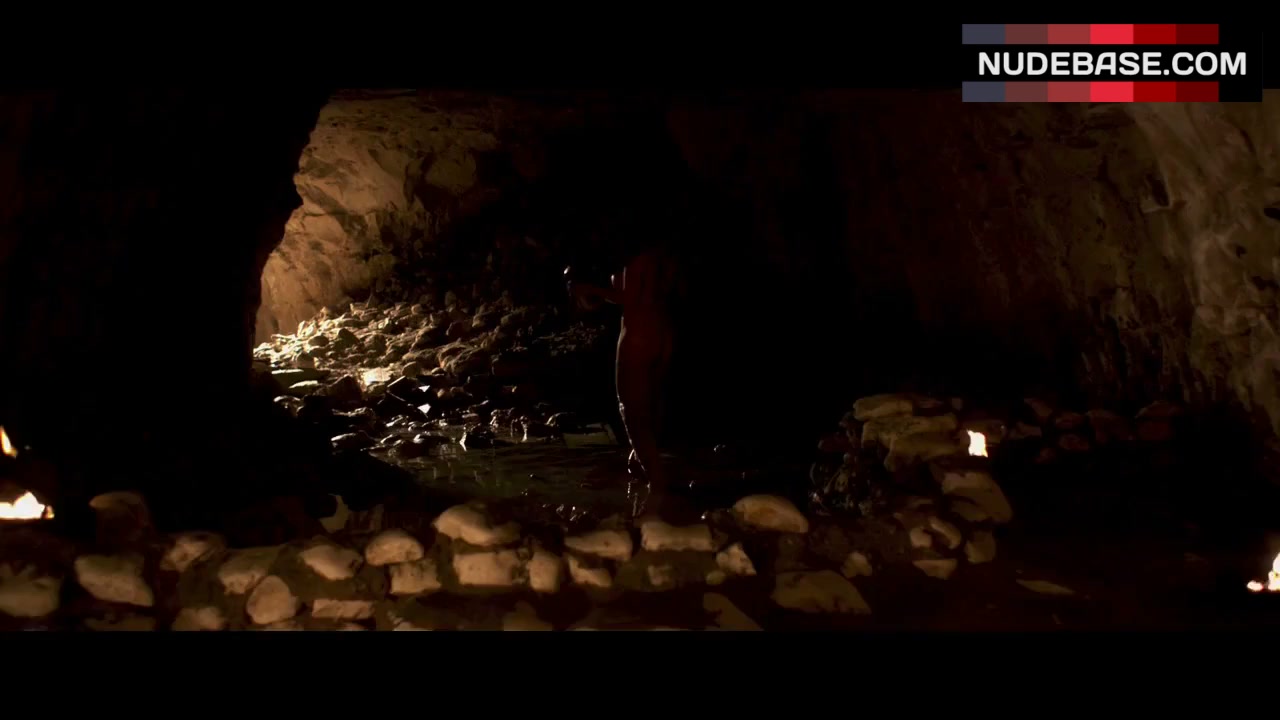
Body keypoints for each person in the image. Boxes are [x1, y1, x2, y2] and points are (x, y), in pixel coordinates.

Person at [566, 243, 682, 518]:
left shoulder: (635, 257)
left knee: (631, 411)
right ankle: (648, 469)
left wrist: (589, 290)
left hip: (638, 334)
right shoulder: (663, 257)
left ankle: (658, 493)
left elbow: (631, 298)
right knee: (652, 406)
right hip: (663, 332)